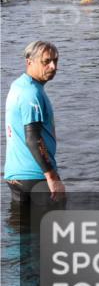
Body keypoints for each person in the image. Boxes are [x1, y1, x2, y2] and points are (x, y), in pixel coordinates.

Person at [4, 41, 65, 204]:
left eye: (55, 61)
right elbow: (33, 138)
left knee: (22, 227)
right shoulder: (31, 93)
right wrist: (51, 176)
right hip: (36, 177)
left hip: (16, 176)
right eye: (46, 61)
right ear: (29, 62)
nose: (53, 66)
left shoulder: (18, 86)